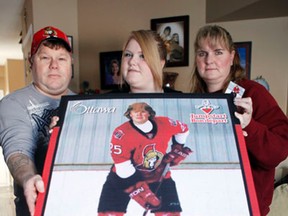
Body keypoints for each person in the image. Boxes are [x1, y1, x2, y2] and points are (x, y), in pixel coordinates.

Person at [190, 24, 288, 215]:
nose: (209, 60)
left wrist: (249, 126)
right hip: (205, 204)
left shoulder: (254, 94)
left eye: (218, 52)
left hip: (244, 207)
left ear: (232, 56)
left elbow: (279, 152)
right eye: (202, 53)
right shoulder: (193, 100)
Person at [0, 26, 74, 216]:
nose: (54, 65)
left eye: (61, 58)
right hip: (35, 208)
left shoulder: (83, 104)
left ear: (70, 63)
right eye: (45, 57)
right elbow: (17, 149)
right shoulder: (12, 103)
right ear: (30, 63)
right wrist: (28, 178)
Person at [97, 102, 192, 216]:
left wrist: (178, 147)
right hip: (124, 178)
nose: (139, 114)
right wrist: (139, 188)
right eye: (135, 111)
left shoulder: (165, 123)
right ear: (130, 114)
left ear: (149, 113)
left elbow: (183, 130)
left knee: (170, 213)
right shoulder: (122, 133)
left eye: (143, 111)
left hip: (157, 174)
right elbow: (123, 167)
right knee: (109, 213)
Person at [114, 29, 181, 93]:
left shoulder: (182, 101)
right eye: (128, 54)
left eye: (142, 56)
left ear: (160, 64)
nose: (131, 61)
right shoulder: (107, 101)